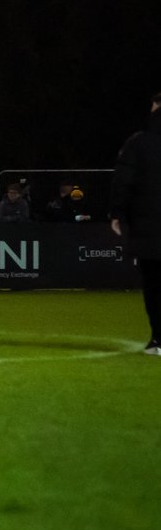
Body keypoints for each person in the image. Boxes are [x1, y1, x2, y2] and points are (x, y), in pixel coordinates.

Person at [110, 90, 161, 355]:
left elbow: (123, 181)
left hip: (149, 228)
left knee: (154, 285)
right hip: (149, 226)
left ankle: (159, 340)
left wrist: (117, 212)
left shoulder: (138, 143)